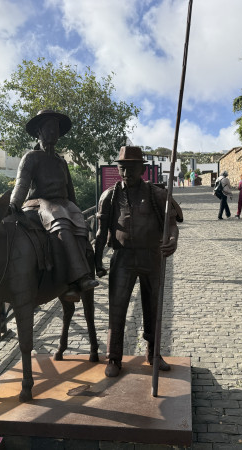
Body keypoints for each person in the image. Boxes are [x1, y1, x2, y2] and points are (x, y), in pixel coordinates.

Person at [94, 146, 182, 378]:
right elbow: (101, 233)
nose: (126, 173)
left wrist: (172, 240)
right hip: (122, 258)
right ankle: (114, 357)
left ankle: (154, 353)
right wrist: (97, 261)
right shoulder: (109, 196)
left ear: (142, 169)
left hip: (151, 257)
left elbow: (172, 224)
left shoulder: (157, 194)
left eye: (132, 168)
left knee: (153, 307)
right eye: (122, 168)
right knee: (117, 307)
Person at [9, 109, 99, 299]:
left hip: (63, 204)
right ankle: (77, 278)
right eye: (49, 128)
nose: (53, 132)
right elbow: (21, 184)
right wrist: (13, 204)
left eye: (56, 129)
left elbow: (70, 190)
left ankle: (81, 276)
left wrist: (77, 211)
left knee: (80, 225)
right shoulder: (31, 157)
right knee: (60, 221)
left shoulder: (61, 162)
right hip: (39, 204)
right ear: (39, 131)